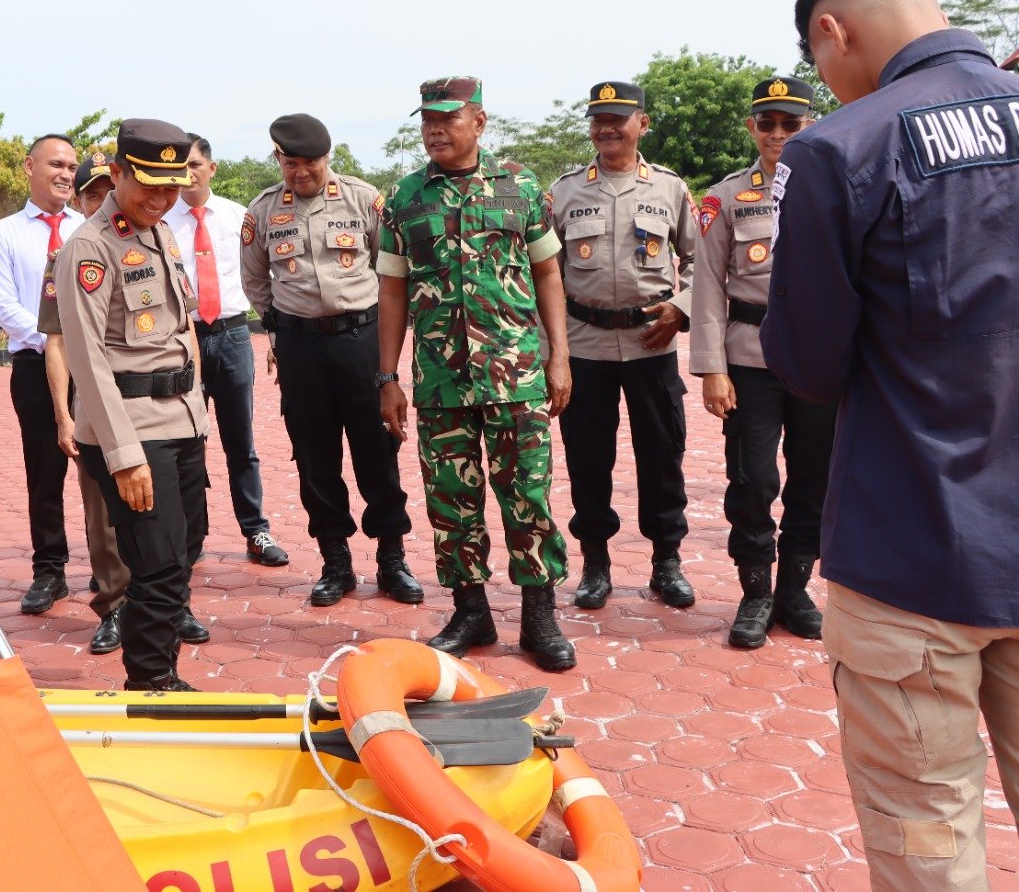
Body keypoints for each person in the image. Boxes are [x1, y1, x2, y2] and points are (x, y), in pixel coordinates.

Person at [763, 0, 1019, 890]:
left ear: (834, 29)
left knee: (930, 840)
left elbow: (810, 364)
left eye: (816, 62)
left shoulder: (843, 148)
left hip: (914, 548)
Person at [376, 77, 577, 671]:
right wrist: (387, 377)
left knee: (527, 497)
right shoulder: (405, 198)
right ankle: (471, 611)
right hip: (441, 380)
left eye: (448, 119)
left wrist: (558, 355)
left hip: (515, 374)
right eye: (426, 121)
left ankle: (540, 617)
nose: (435, 130)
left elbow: (548, 275)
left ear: (479, 122)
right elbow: (391, 292)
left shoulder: (521, 187)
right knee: (451, 501)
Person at [240, 114, 419, 608]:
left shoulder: (364, 200)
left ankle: (391, 558)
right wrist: (280, 325)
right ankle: (335, 562)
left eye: (311, 163)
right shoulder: (262, 213)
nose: (301, 173)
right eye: (290, 163)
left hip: (360, 340)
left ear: (328, 157)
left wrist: (388, 358)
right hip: (301, 349)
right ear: (278, 159)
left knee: (377, 452)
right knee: (315, 458)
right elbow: (255, 280)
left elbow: (391, 274)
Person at [56, 119, 209, 691]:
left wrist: (199, 416)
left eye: (172, 187)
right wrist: (124, 455)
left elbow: (180, 328)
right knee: (158, 564)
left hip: (180, 420)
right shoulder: (89, 249)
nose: (162, 199)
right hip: (132, 431)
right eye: (149, 184)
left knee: (181, 553)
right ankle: (150, 681)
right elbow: (87, 358)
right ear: (115, 172)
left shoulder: (159, 232)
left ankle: (161, 668)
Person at [689, 77, 834, 649]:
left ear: (809, 125)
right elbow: (705, 286)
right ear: (751, 127)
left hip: (818, 356)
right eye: (766, 122)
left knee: (813, 477)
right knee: (752, 479)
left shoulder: (832, 188)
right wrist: (711, 368)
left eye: (789, 123)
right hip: (749, 354)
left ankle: (795, 591)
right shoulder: (725, 197)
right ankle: (755, 593)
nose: (777, 133)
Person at [548, 82, 697, 611]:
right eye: (598, 120)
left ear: (643, 123)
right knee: (589, 459)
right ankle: (595, 563)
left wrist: (681, 306)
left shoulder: (670, 190)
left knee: (662, 457)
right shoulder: (564, 191)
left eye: (618, 118)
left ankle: (666, 562)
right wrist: (554, 352)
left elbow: (701, 261)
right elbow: (546, 273)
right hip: (585, 345)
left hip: (651, 345)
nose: (607, 128)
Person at [0, 134, 96, 615]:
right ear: (29, 166)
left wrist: (76, 347)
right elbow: (5, 307)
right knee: (45, 474)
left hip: (92, 368)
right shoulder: (4, 234)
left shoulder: (90, 228)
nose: (67, 174)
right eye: (56, 164)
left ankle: (112, 571)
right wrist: (55, 342)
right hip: (34, 367)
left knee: (101, 470)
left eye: (72, 166)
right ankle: (50, 571)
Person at [166, 133, 285, 567]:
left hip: (234, 336)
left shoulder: (240, 217)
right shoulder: (159, 221)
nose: (188, 173)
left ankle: (256, 531)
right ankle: (189, 538)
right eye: (181, 166)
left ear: (212, 168)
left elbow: (266, 277)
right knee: (185, 442)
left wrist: (274, 336)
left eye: (195, 164)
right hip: (183, 340)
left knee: (241, 442)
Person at [37, 152, 133, 655]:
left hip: (152, 399)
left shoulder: (156, 243)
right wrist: (63, 414)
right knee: (101, 512)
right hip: (95, 400)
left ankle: (167, 601)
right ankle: (115, 604)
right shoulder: (68, 255)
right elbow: (55, 342)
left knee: (170, 506)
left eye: (108, 190)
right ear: (78, 201)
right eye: (92, 194)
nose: (103, 202)